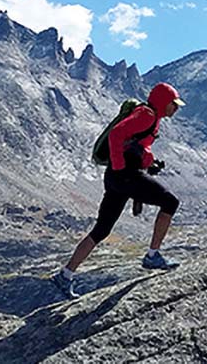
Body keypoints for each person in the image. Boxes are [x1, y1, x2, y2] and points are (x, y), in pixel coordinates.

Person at [50, 82, 185, 299]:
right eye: (173, 104)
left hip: (115, 177)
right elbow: (116, 135)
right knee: (170, 202)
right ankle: (152, 256)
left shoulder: (150, 117)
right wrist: (123, 168)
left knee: (102, 229)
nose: (176, 108)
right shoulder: (147, 115)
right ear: (162, 102)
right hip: (125, 176)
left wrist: (147, 162)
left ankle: (64, 275)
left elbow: (132, 144)